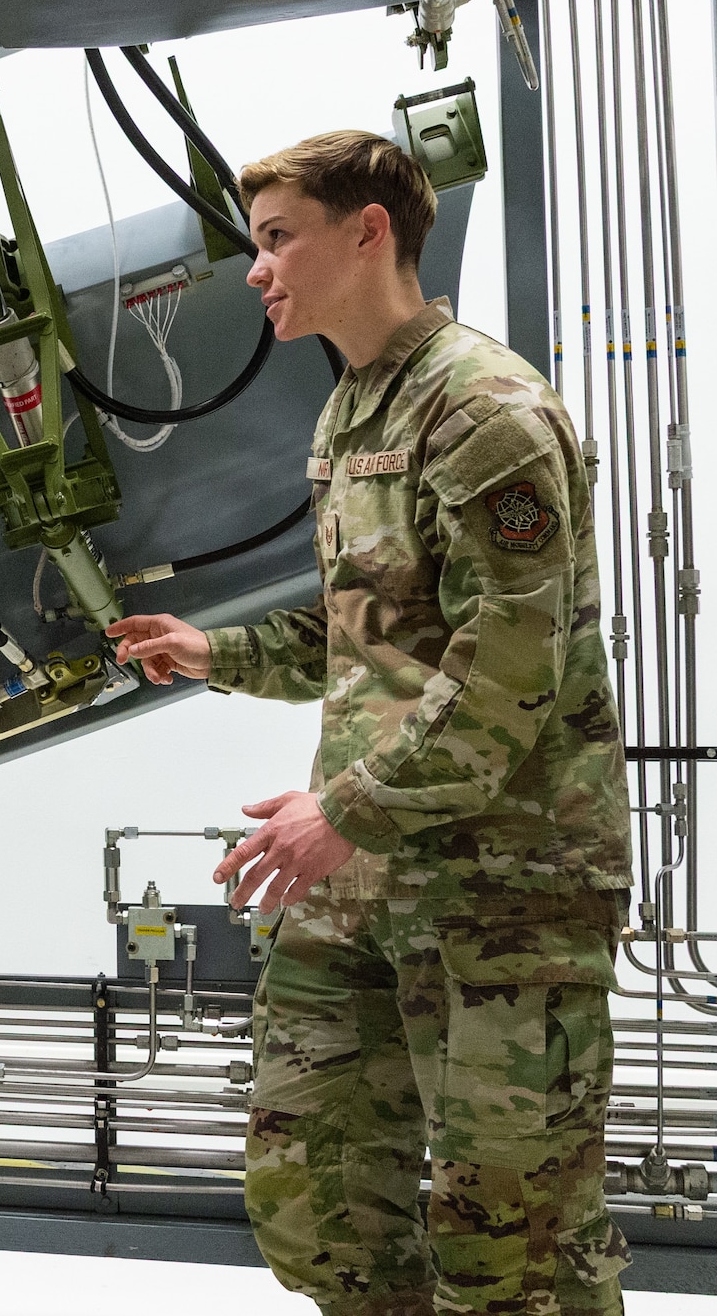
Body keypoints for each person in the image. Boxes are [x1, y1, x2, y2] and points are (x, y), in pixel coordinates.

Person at [106, 131, 633, 1314]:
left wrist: (342, 811)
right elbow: (366, 630)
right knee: (316, 1205)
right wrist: (215, 651)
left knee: (512, 1250)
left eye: (275, 238)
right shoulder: (353, 409)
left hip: (503, 888)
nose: (255, 269)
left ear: (368, 231)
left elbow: (508, 669)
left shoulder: (484, 410)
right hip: (364, 876)